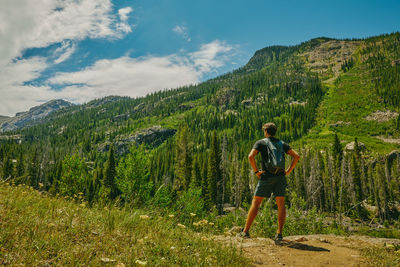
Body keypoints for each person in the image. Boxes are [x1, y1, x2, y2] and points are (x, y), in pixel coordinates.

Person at [239, 122, 300, 241]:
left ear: (266, 131)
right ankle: (279, 234)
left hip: (266, 177)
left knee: (256, 203)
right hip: (280, 177)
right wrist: (288, 171)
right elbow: (296, 156)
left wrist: (256, 172)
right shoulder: (282, 143)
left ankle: (245, 232)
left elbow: (250, 156)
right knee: (281, 205)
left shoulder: (261, 142)